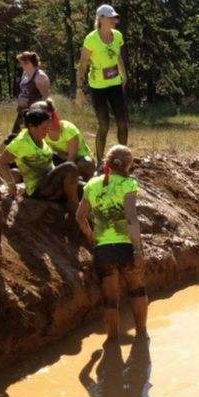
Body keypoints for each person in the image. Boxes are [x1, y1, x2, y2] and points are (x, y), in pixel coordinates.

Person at [76, 145, 148, 340]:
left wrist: (91, 237)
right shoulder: (128, 184)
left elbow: (80, 216)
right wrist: (138, 250)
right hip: (125, 246)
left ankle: (112, 341)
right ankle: (142, 335)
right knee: (138, 291)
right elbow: (131, 219)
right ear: (129, 165)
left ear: (107, 162)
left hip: (103, 250)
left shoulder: (91, 185)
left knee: (110, 300)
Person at [0, 109, 80, 213]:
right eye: (44, 128)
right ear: (32, 126)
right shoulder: (21, 142)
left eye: (48, 128)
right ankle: (73, 205)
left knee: (85, 188)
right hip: (38, 189)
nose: (47, 131)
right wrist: (11, 186)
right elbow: (1, 162)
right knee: (70, 167)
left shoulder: (40, 137)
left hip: (52, 181)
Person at [76, 4, 128, 165]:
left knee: (122, 122)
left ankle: (123, 159)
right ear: (101, 19)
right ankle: (100, 163)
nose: (114, 20)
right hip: (98, 86)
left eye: (115, 17)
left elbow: (117, 57)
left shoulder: (117, 36)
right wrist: (79, 90)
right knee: (104, 125)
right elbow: (83, 64)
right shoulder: (91, 39)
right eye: (110, 17)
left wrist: (124, 74)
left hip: (115, 83)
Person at [31, 99, 96, 180]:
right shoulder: (41, 131)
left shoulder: (68, 129)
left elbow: (72, 156)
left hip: (79, 160)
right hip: (62, 158)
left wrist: (60, 175)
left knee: (84, 164)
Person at [12, 51, 50, 134]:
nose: (20, 65)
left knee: (28, 136)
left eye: (22, 63)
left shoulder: (40, 77)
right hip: (22, 111)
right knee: (15, 135)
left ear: (28, 62)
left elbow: (45, 97)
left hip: (33, 113)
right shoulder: (25, 74)